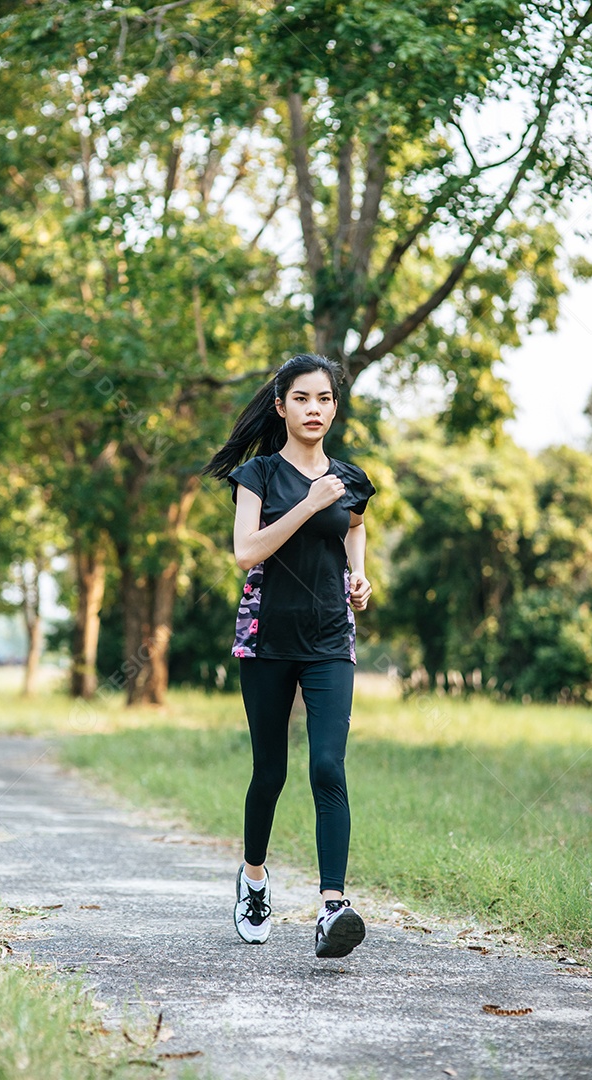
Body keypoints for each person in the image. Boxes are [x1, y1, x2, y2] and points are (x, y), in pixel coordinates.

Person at [203, 353, 376, 959]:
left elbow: (353, 526)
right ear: (281, 407)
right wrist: (308, 502)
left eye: (324, 399)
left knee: (328, 766)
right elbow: (246, 552)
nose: (314, 409)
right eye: (301, 398)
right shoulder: (257, 476)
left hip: (329, 638)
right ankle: (254, 879)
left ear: (334, 407)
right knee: (270, 772)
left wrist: (359, 575)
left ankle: (333, 908)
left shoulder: (349, 478)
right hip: (266, 639)